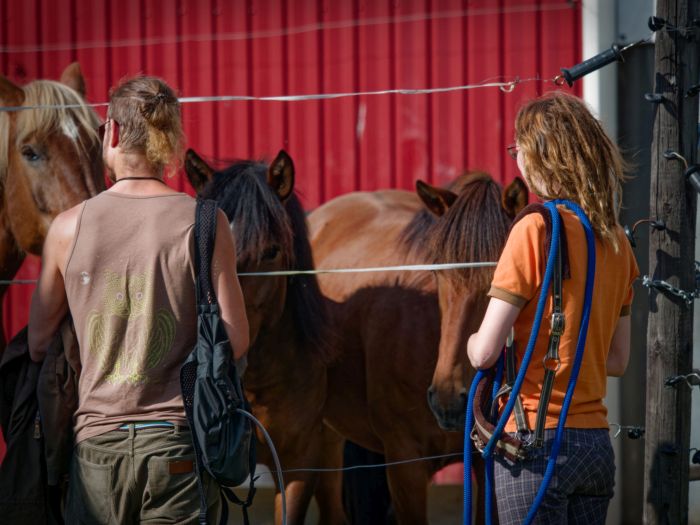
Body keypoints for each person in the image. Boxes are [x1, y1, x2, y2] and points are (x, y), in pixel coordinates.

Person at [28, 75, 250, 524]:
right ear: (170, 141)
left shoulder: (67, 229)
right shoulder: (206, 222)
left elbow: (37, 342)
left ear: (110, 132)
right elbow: (236, 339)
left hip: (95, 452)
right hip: (177, 448)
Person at [467, 92, 639, 524]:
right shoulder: (618, 242)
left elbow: (483, 354)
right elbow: (616, 360)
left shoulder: (534, 228)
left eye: (517, 149)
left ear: (542, 156)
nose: (515, 160)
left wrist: (472, 341)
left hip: (534, 446)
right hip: (595, 448)